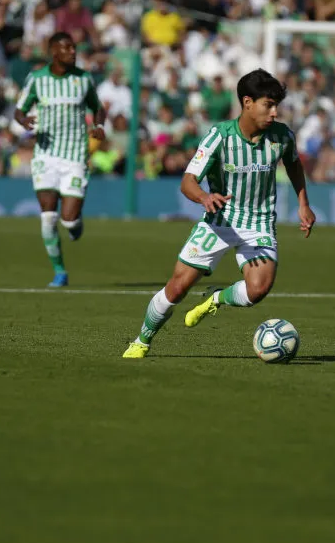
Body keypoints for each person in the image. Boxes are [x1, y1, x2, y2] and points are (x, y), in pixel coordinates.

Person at [122, 69, 316, 359]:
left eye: (277, 105)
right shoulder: (220, 136)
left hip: (258, 222)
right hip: (219, 221)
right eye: (269, 105)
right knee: (177, 288)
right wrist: (204, 197)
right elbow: (188, 181)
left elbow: (294, 165)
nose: (274, 112)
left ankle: (216, 298)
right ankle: (142, 339)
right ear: (247, 102)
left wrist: (303, 203)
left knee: (258, 289)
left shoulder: (282, 136)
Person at [14, 32, 107, 287]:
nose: (72, 52)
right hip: (45, 154)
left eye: (74, 47)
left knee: (68, 219)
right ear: (53, 51)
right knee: (47, 218)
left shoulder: (83, 79)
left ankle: (75, 224)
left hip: (76, 154)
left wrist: (98, 124)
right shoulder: (37, 79)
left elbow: (98, 106)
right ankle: (59, 272)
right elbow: (19, 110)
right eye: (66, 48)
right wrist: (24, 121)